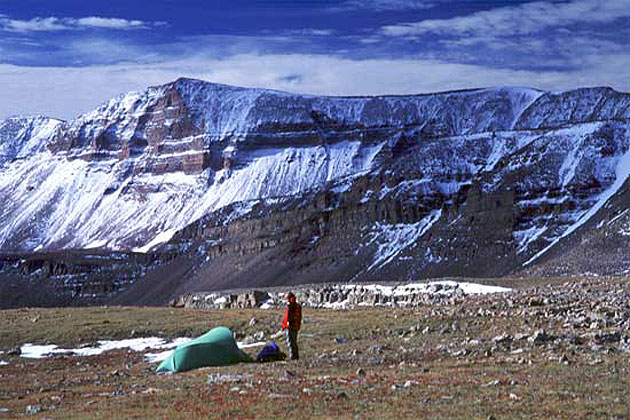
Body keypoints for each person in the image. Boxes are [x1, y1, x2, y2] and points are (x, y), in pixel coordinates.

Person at [281, 292, 302, 360]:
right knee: (294, 341)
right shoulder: (297, 306)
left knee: (290, 341)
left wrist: (286, 324)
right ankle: (296, 355)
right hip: (295, 326)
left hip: (290, 326)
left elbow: (288, 317)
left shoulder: (290, 305)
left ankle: (293, 356)